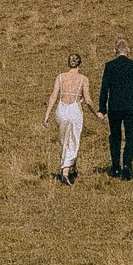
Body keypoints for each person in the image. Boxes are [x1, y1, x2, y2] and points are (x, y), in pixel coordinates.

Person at [43, 52, 100, 185]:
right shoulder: (83, 79)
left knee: (64, 140)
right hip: (74, 110)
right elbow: (88, 100)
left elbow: (53, 96)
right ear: (80, 64)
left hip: (61, 110)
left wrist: (47, 115)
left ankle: (71, 167)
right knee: (73, 140)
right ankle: (65, 171)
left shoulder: (60, 77)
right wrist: (96, 113)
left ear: (68, 63)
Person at [100, 39, 133, 179]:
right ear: (128, 51)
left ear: (115, 51)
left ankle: (115, 167)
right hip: (132, 107)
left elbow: (104, 89)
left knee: (115, 136)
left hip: (115, 107)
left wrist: (102, 108)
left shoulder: (109, 66)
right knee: (131, 137)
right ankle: (127, 165)